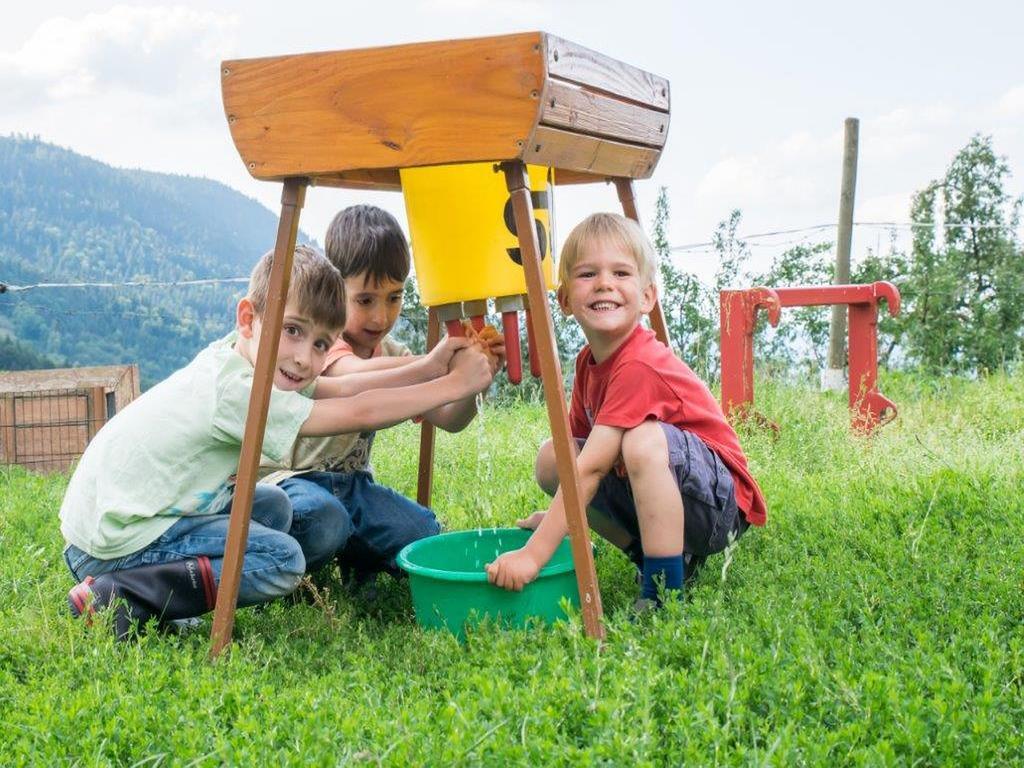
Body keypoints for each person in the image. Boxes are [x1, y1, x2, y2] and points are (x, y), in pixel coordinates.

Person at [63, 244, 493, 638]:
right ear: (248, 318)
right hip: (116, 541)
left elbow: (340, 390)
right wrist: (453, 384)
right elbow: (356, 411)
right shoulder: (241, 393)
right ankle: (121, 594)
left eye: (321, 342)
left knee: (274, 506)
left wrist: (430, 365)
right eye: (293, 330)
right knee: (282, 561)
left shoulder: (235, 355)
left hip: (120, 518)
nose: (305, 357)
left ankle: (149, 588)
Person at [485, 213, 767, 609]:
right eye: (587, 275)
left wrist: (535, 553)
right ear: (565, 300)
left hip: (718, 506)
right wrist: (555, 522)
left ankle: (662, 591)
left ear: (647, 296)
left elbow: (592, 469)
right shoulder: (588, 362)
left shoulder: (638, 363)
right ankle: (653, 555)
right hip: (674, 493)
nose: (604, 283)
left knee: (641, 439)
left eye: (621, 273)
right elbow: (574, 461)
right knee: (554, 458)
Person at [261, 205, 504, 588]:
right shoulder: (320, 345)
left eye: (394, 297)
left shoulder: (392, 354)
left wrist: (478, 380)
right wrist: (434, 364)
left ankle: (358, 558)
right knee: (324, 518)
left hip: (355, 489)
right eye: (365, 300)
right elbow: (352, 379)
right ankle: (294, 569)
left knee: (423, 531)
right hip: (292, 483)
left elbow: (450, 419)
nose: (381, 316)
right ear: (333, 288)